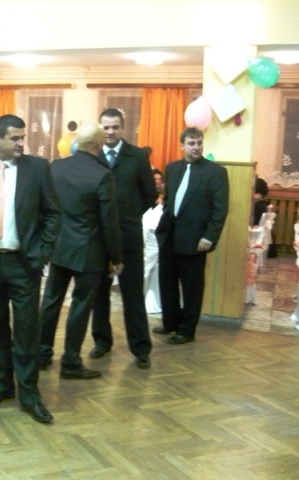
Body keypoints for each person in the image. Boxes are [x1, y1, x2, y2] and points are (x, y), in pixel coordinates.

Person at [0, 114, 60, 423]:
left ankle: (29, 395)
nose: (21, 143)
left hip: (23, 263)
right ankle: (3, 386)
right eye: (15, 138)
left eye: (22, 138)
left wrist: (42, 253)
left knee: (27, 331)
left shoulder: (37, 168)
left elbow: (53, 214)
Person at [39, 122, 122, 379]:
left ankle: (41, 354)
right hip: (89, 251)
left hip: (59, 247)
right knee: (80, 305)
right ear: (98, 144)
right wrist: (117, 257)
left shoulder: (56, 167)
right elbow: (109, 221)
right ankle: (71, 362)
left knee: (51, 301)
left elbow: (45, 206)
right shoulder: (103, 175)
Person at [90, 108, 157, 369]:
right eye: (105, 127)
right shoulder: (92, 154)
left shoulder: (137, 156)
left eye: (114, 127)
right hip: (98, 238)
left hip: (128, 237)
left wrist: (129, 214)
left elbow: (150, 194)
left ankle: (141, 348)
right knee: (99, 295)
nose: (110, 132)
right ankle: (101, 342)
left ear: (123, 128)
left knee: (132, 295)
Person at [154, 127, 230, 344]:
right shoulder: (172, 168)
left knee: (192, 288)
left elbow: (220, 209)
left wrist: (210, 236)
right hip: (169, 236)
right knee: (167, 283)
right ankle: (170, 323)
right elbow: (168, 200)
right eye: (191, 143)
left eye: (199, 143)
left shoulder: (216, 172)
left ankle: (187, 330)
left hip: (196, 240)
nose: (196, 147)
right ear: (182, 145)